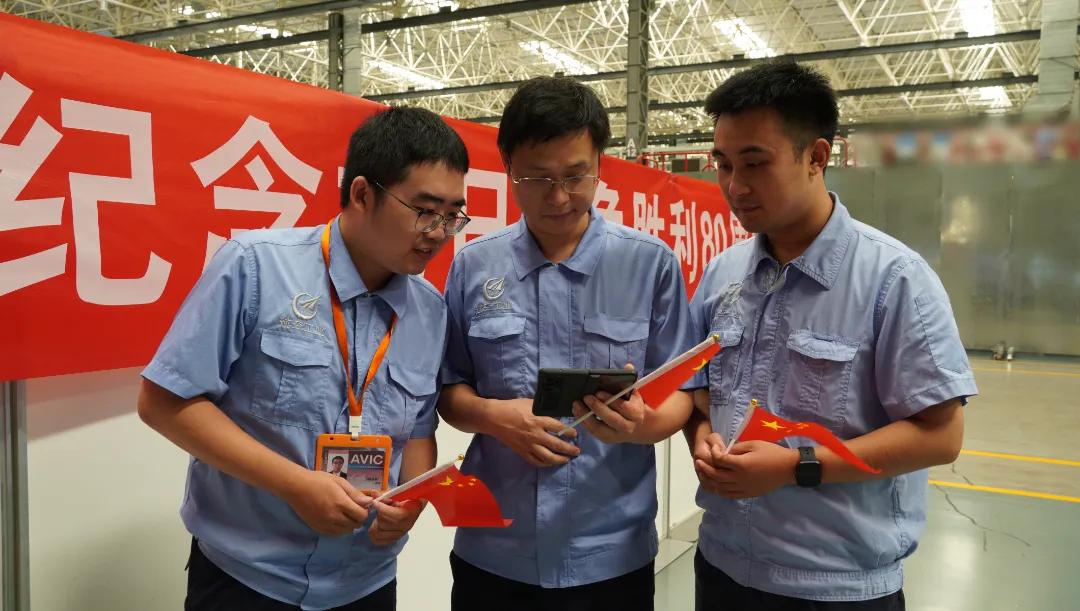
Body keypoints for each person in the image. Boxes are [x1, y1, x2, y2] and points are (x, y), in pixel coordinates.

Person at [137, 106, 470, 611]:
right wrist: (294, 486)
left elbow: (419, 430)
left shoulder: (429, 310)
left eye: (452, 215)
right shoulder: (256, 267)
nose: (439, 232)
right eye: (425, 210)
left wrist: (412, 499)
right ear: (362, 194)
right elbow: (164, 402)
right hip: (249, 580)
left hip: (366, 582)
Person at [684, 60, 976, 610]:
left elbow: (941, 436)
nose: (734, 186)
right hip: (723, 566)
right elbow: (699, 393)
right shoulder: (723, 275)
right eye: (722, 163)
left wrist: (797, 466)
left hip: (834, 587)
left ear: (816, 157)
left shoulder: (894, 278)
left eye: (755, 163)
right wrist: (700, 434)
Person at [438, 76, 695, 611]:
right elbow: (448, 391)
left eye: (576, 176)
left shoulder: (648, 264)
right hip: (496, 550)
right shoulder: (473, 266)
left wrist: (643, 426)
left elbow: (684, 390)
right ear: (507, 167)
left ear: (600, 163)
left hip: (611, 552)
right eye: (537, 178)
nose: (558, 197)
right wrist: (494, 417)